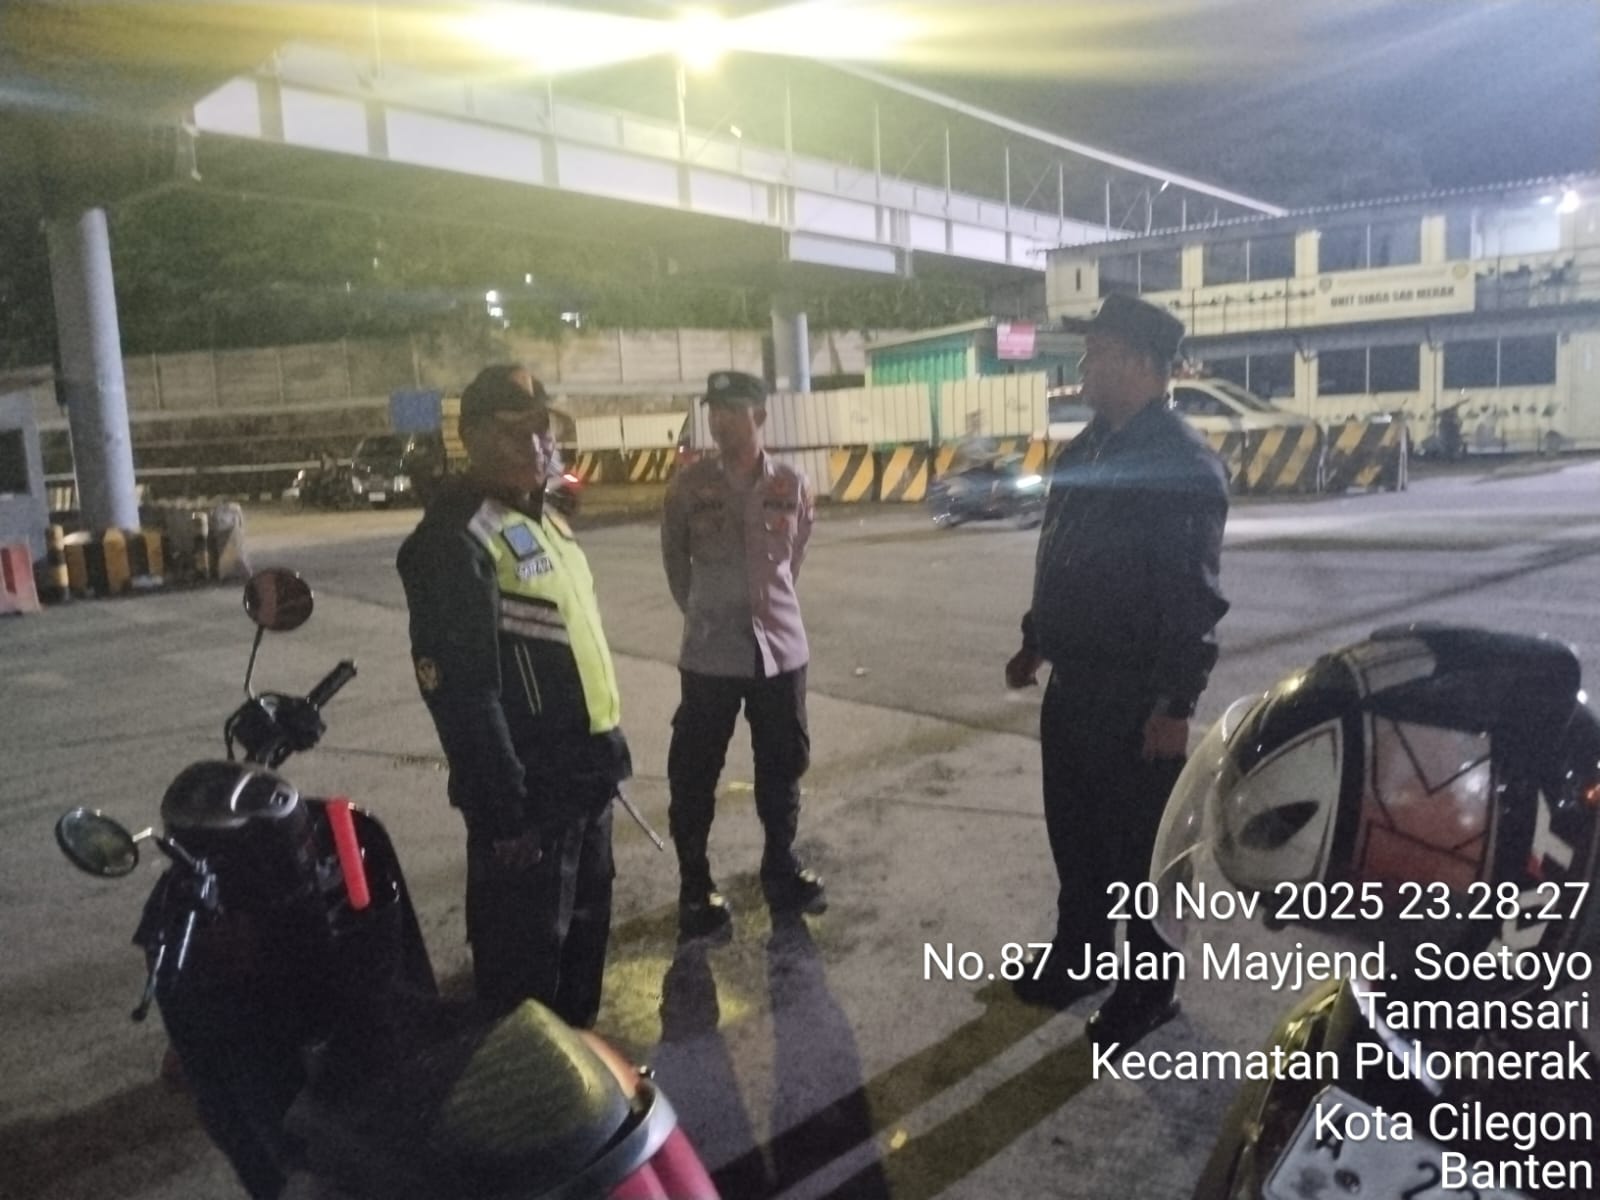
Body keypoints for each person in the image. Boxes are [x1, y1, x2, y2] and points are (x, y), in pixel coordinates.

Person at [1005, 293, 1230, 1052]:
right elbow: (1059, 560)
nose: (1083, 365)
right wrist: (1037, 639)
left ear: (1138, 362)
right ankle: (1081, 954)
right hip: (1075, 684)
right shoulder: (1086, 451)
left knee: (1146, 852)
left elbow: (1192, 598)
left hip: (1138, 697)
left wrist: (1176, 703)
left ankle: (1150, 989)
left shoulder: (1182, 465)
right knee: (1077, 835)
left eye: (1095, 352)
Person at [396, 365, 630, 1028]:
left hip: (586, 780)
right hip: (531, 801)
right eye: (514, 432)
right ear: (471, 438)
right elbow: (463, 696)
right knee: (524, 986)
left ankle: (580, 1077)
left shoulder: (542, 519)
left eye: (541, 430)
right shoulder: (453, 540)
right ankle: (528, 1093)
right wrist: (505, 816)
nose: (536, 445)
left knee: (580, 960)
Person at [661, 370, 823, 940]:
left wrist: (765, 607)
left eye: (731, 409)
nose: (719, 420)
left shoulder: (791, 484)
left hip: (780, 652)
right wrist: (707, 612)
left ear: (759, 416)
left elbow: (795, 553)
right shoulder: (688, 487)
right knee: (694, 773)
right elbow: (675, 563)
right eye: (714, 410)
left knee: (783, 766)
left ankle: (780, 867)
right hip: (710, 656)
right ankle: (695, 885)